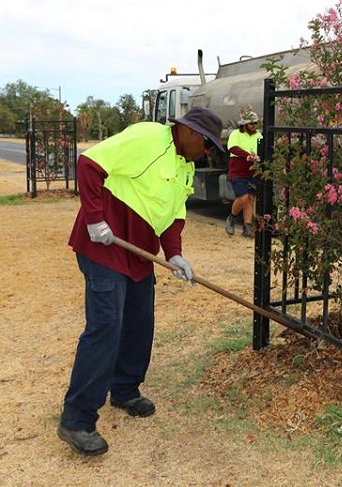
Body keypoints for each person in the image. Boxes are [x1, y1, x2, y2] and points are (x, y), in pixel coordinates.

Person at [57, 107, 224, 457]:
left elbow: (174, 216)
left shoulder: (186, 166)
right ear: (190, 132)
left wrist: (175, 254)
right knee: (106, 326)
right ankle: (77, 418)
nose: (207, 152)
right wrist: (94, 219)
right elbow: (89, 164)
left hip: (139, 254)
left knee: (139, 323)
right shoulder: (148, 137)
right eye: (207, 144)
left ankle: (125, 389)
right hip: (104, 246)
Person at [225, 109, 262, 238]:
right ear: (245, 124)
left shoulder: (258, 135)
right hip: (238, 171)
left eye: (255, 124)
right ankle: (232, 217)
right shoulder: (236, 134)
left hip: (253, 171)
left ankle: (247, 227)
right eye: (252, 124)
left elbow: (262, 148)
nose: (254, 126)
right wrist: (248, 156)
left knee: (251, 199)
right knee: (243, 197)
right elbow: (233, 147)